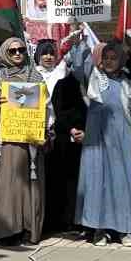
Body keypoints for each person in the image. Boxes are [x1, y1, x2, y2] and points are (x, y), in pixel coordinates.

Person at [69, 33, 131, 245]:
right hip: (96, 143)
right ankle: (99, 230)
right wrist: (79, 43)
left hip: (121, 143)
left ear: (121, 60)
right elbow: (79, 67)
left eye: (114, 58)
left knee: (122, 185)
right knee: (97, 184)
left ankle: (125, 230)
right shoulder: (94, 81)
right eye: (106, 58)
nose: (109, 61)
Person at [0, 38, 47, 247]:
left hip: (30, 141)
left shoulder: (36, 77)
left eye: (21, 49)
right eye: (12, 51)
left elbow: (47, 106)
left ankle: (29, 229)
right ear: (5, 53)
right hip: (7, 142)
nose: (17, 54)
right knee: (8, 184)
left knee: (30, 184)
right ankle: (7, 230)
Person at [38, 39, 85, 237]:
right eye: (44, 53)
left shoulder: (66, 76)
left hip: (68, 136)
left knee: (69, 179)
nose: (48, 57)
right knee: (50, 178)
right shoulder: (34, 76)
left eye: (52, 53)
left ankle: (69, 220)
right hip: (45, 134)